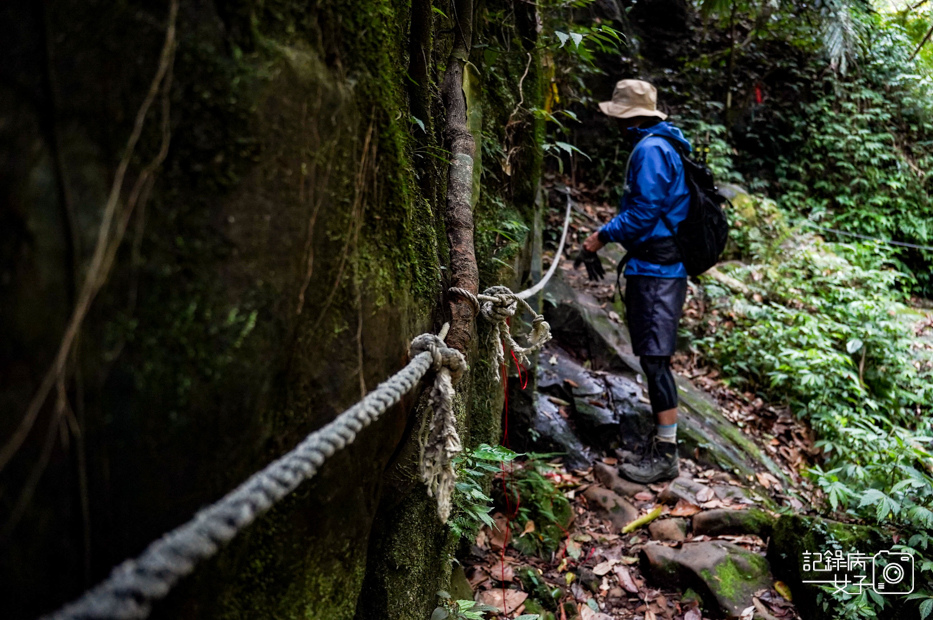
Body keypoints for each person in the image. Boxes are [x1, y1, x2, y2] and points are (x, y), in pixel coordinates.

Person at [579, 79, 691, 483]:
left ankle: (666, 454)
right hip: (655, 267)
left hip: (659, 272)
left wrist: (601, 236)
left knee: (656, 362)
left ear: (631, 119)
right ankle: (661, 443)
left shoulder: (651, 149)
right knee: (652, 359)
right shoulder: (664, 143)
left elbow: (644, 213)